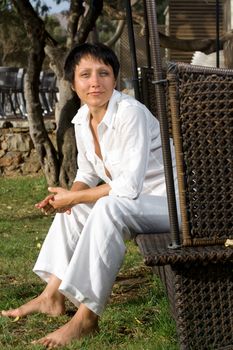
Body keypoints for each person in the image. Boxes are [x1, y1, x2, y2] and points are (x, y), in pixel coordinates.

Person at [1, 42, 179, 348]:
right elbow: (86, 173)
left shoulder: (130, 113)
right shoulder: (83, 119)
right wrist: (67, 200)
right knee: (77, 207)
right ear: (73, 83)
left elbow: (129, 186)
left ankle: (86, 317)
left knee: (107, 207)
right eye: (85, 74)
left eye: (103, 73)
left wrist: (74, 198)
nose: (95, 81)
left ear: (115, 79)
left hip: (173, 205)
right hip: (137, 202)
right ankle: (51, 297)